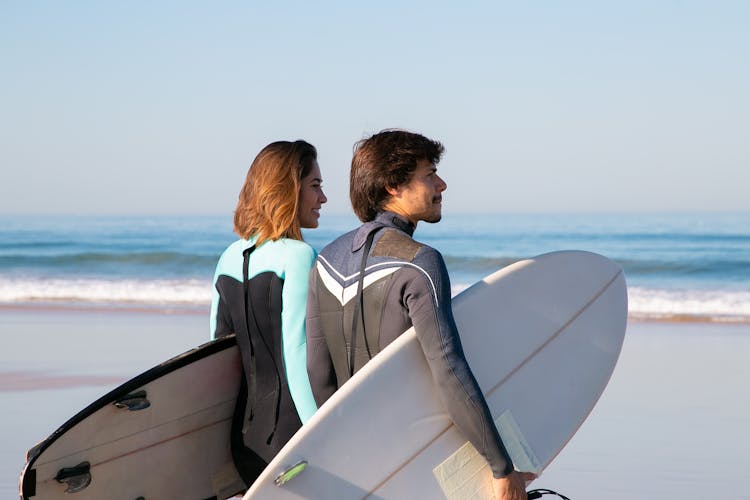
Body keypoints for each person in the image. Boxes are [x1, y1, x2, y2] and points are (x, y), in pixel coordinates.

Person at [305, 130, 533, 500]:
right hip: (418, 459)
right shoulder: (420, 262)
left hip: (360, 463)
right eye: (429, 174)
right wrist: (501, 467)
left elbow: (318, 372)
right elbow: (449, 371)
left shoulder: (325, 259)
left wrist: (347, 454)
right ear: (394, 185)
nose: (441, 184)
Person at [210, 140, 327, 487]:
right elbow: (296, 353)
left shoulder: (227, 258)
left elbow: (215, 359)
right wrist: (320, 433)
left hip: (243, 441)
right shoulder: (299, 255)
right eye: (315, 186)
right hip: (291, 436)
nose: (323, 199)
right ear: (289, 190)